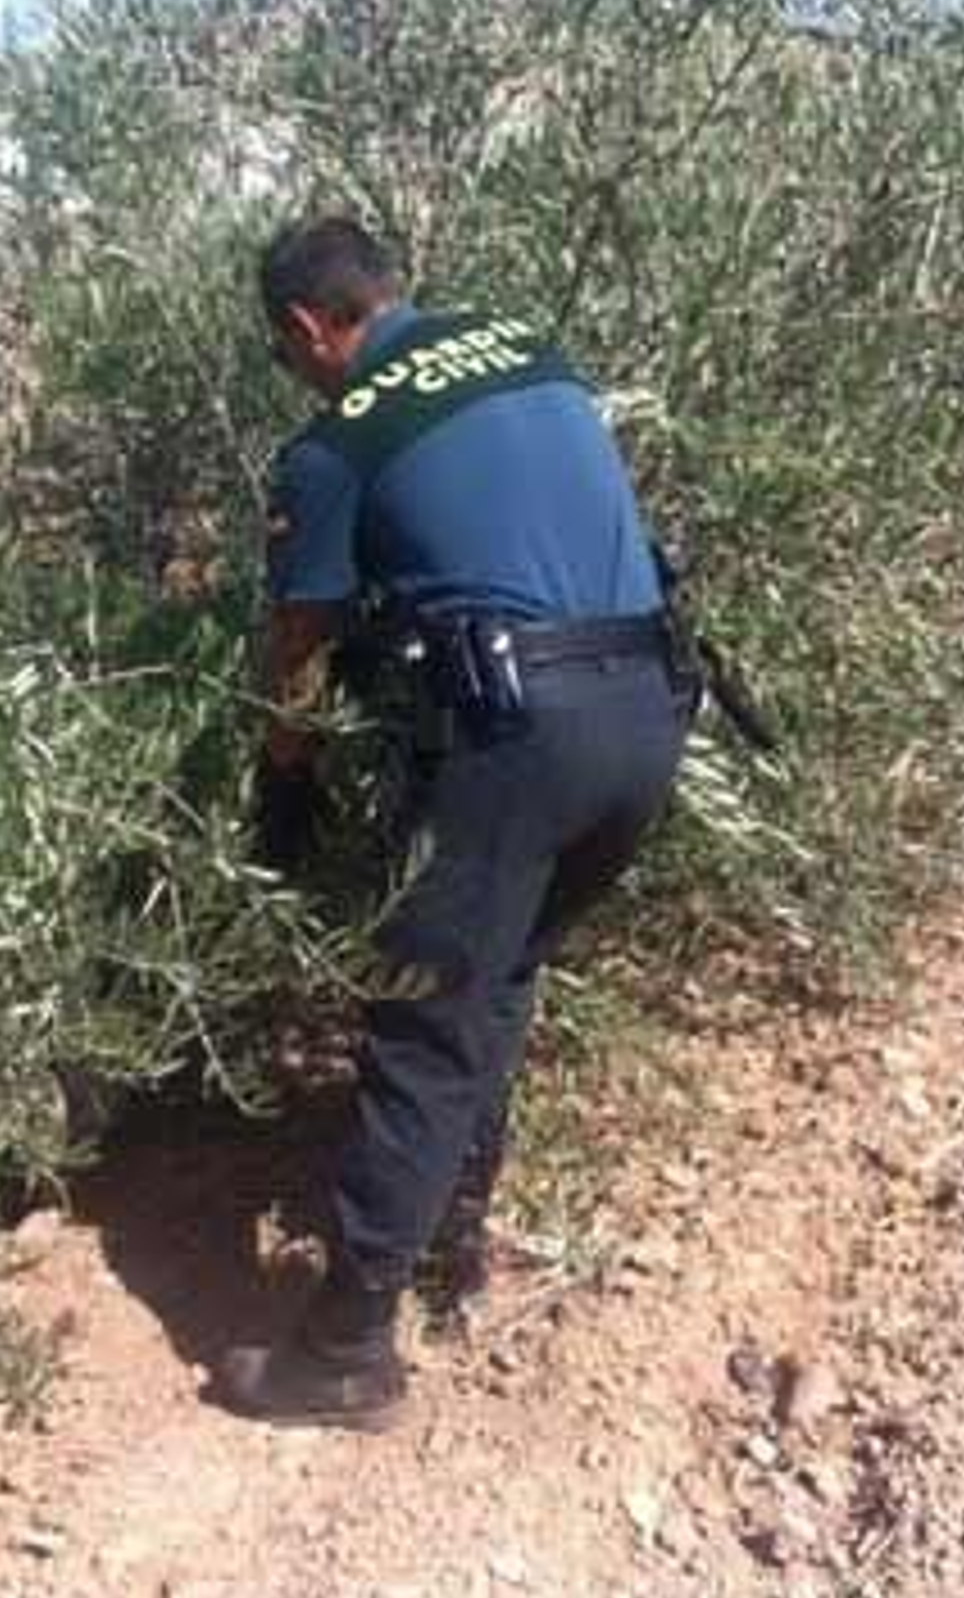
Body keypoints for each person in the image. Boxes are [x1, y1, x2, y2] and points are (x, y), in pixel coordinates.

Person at [216, 216, 696, 1430]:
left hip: (519, 732)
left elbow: (301, 640)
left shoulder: (333, 445)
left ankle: (345, 1350)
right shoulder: (527, 346)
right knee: (499, 973)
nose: (300, 376)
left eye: (291, 357)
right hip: (646, 713)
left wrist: (284, 774)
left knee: (423, 1015)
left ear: (307, 328)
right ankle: (452, 1242)